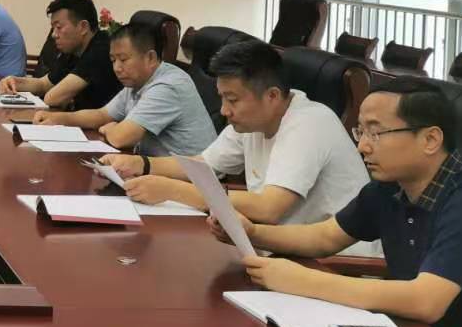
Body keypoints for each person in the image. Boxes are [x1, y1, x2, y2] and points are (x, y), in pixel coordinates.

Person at [214, 78, 462, 327]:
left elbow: (426, 300)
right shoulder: (390, 187)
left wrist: (302, 281)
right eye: (361, 132)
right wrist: (252, 233)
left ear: (430, 139)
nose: (362, 147)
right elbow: (324, 237)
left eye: (376, 133)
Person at [100, 39, 377, 254]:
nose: (224, 110)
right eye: (222, 98)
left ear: (272, 96)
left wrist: (172, 190)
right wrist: (142, 164)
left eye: (232, 100)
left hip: (335, 263)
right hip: (275, 249)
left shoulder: (309, 123)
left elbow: (269, 208)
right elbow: (203, 165)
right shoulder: (252, 121)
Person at [33, 21, 211, 156]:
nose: (117, 68)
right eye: (113, 60)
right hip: (154, 168)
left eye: (123, 59)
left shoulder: (167, 86)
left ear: (150, 58)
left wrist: (110, 128)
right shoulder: (138, 80)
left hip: (190, 180)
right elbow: (102, 115)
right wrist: (58, 118)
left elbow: (121, 138)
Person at [0, 0, 121, 111]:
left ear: (83, 27)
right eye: (53, 28)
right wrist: (14, 82)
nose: (54, 35)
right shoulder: (73, 50)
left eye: (59, 27)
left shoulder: (102, 49)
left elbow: (52, 98)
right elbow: (44, 84)